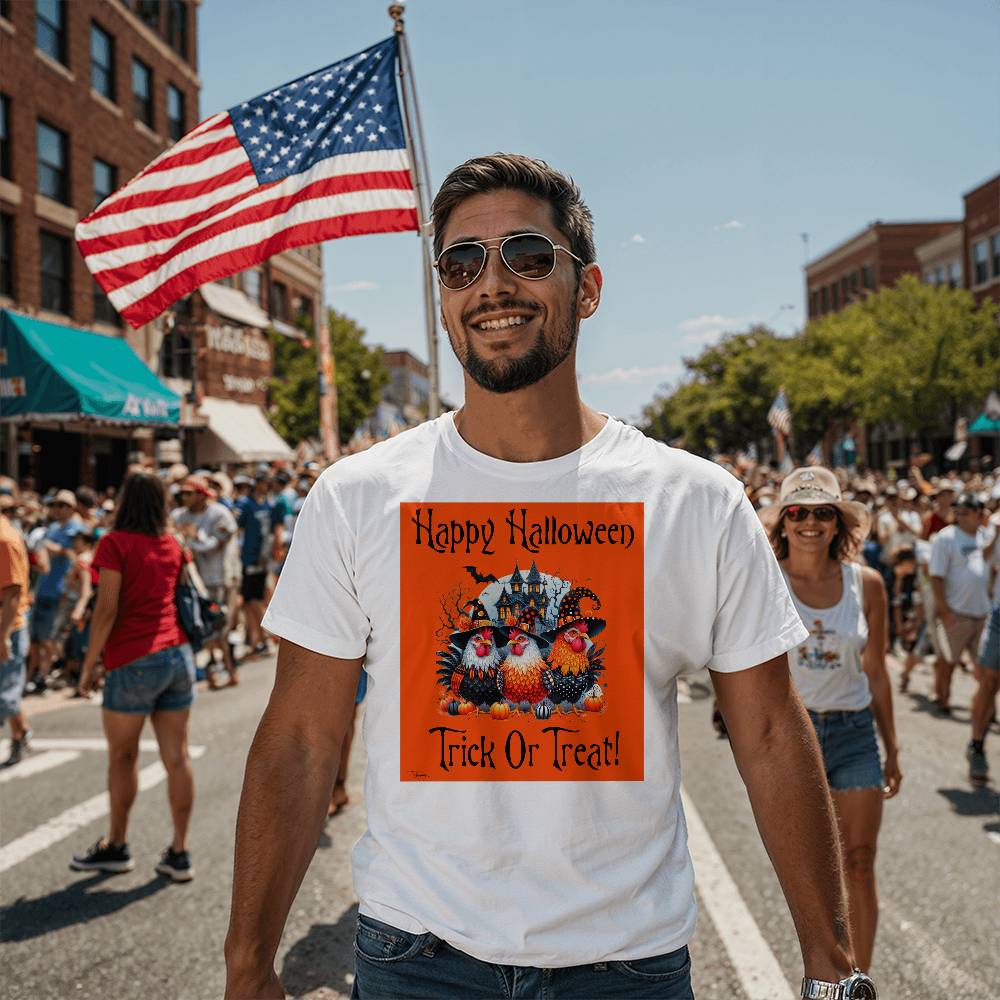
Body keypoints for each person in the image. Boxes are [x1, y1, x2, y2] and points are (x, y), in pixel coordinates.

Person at [225, 154, 873, 1000]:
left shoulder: (697, 502)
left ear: (588, 287)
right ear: (442, 295)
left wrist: (832, 962)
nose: (491, 284)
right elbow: (303, 740)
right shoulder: (356, 497)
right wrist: (247, 964)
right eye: (462, 263)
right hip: (413, 960)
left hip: (627, 966)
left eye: (527, 255)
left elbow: (771, 735)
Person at [764, 466, 901, 971]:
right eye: (798, 512)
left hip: (854, 733)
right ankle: (825, 971)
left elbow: (878, 671)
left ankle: (858, 980)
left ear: (838, 522)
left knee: (860, 862)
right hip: (794, 737)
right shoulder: (766, 578)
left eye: (824, 512)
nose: (810, 522)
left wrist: (893, 746)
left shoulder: (867, 584)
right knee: (812, 876)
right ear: (783, 522)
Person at [71, 471, 197, 883]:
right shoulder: (174, 543)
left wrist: (89, 666)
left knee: (122, 757)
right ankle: (180, 852)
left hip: (132, 657)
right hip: (177, 654)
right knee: (176, 758)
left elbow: (106, 610)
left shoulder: (114, 544)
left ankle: (117, 845)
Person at [171, 475, 239, 688]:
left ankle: (227, 669)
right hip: (188, 582)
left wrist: (192, 538)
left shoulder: (220, 514)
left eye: (189, 493)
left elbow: (214, 546)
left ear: (201, 494)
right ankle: (212, 671)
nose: (185, 497)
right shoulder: (178, 515)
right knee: (199, 627)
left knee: (217, 625)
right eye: (182, 493)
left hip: (214, 579)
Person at [928, 492, 991, 717]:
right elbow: (936, 576)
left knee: (986, 667)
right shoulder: (946, 537)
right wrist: (944, 610)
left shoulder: (987, 536)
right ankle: (943, 699)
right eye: (958, 512)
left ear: (980, 514)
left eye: (966, 512)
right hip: (956, 612)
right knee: (948, 662)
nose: (961, 517)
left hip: (983, 612)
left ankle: (986, 708)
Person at [27, 490, 81, 693]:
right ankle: (34, 675)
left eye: (61, 505)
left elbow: (72, 553)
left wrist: (49, 547)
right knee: (35, 638)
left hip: (60, 591)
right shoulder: (53, 527)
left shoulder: (77, 528)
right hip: (43, 588)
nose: (56, 509)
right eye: (54, 505)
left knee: (49, 638)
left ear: (71, 508)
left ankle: (44, 675)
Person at [966, 497, 999, 782]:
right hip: (999, 615)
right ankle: (977, 745)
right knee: (988, 683)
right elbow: (984, 559)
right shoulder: (994, 527)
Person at [235, 474, 283, 657]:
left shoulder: (266, 505)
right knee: (250, 601)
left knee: (254, 600)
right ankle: (260, 639)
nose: (267, 487)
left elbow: (270, 532)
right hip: (248, 558)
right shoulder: (246, 505)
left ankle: (265, 637)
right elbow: (239, 530)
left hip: (259, 560)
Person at [0, 494, 32, 766]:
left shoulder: (4, 539)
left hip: (8, 625)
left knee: (5, 693)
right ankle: (20, 734)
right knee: (6, 690)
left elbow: (12, 592)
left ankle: (19, 737)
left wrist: (3, 635)